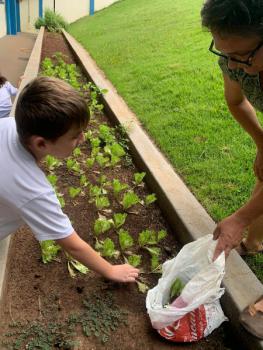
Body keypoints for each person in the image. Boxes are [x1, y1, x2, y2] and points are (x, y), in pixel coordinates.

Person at [0, 76, 139, 284]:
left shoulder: (10, 124)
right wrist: (110, 270)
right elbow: (71, 243)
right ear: (40, 144)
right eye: (75, 136)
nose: (82, 139)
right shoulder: (31, 190)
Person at [201, 0, 263, 339]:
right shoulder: (234, 59)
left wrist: (238, 218)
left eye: (242, 56)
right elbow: (236, 101)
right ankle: (254, 244)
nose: (233, 65)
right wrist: (262, 143)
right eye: (225, 54)